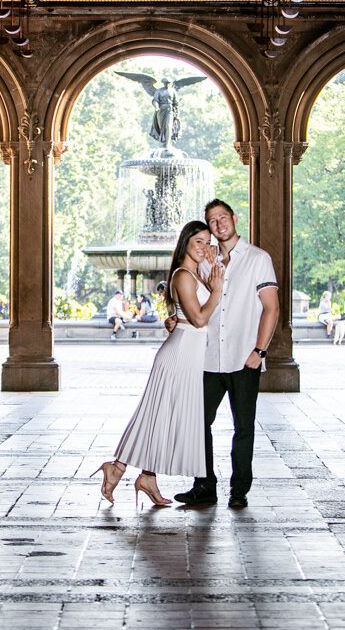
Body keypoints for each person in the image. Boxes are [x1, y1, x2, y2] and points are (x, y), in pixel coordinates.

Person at [92, 221, 224, 507]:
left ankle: (146, 477)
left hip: (189, 352)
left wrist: (212, 275)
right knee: (154, 416)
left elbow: (192, 315)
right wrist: (217, 289)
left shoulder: (196, 273)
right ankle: (117, 467)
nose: (204, 247)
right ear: (186, 243)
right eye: (198, 241)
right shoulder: (183, 276)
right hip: (179, 355)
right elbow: (200, 319)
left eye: (207, 241)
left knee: (164, 418)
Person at [169, 199, 278, 509]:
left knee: (243, 426)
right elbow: (196, 304)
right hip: (207, 358)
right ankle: (204, 485)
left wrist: (259, 351)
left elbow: (271, 307)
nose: (218, 224)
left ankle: (239, 489)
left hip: (244, 357)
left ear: (234, 218)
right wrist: (176, 318)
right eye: (211, 221)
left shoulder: (258, 258)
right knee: (198, 422)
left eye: (222, 218)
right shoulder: (206, 262)